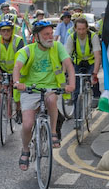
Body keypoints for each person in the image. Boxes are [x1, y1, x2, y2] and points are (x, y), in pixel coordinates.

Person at [13, 20, 75, 171]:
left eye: (51, 34)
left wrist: (71, 84)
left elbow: (69, 66)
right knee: (27, 124)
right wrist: (17, 82)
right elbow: (17, 67)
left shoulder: (57, 47)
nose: (50, 37)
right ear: (36, 36)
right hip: (30, 90)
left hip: (50, 88)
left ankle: (53, 131)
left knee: (52, 99)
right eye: (46, 34)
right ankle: (25, 149)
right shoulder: (27, 50)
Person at [0, 18, 25, 119]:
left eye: (8, 30)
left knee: (17, 90)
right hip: (3, 67)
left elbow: (21, 59)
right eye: (3, 30)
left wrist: (16, 73)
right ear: (0, 31)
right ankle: (1, 101)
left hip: (17, 68)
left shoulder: (18, 41)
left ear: (12, 30)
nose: (6, 32)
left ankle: (18, 108)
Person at [65, 17, 102, 108]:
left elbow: (97, 56)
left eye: (83, 29)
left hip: (91, 62)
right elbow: (66, 57)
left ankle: (96, 96)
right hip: (78, 62)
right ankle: (76, 106)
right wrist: (65, 72)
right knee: (75, 84)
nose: (81, 32)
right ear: (75, 29)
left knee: (93, 79)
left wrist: (95, 74)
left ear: (87, 28)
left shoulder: (93, 37)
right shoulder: (71, 37)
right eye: (79, 29)